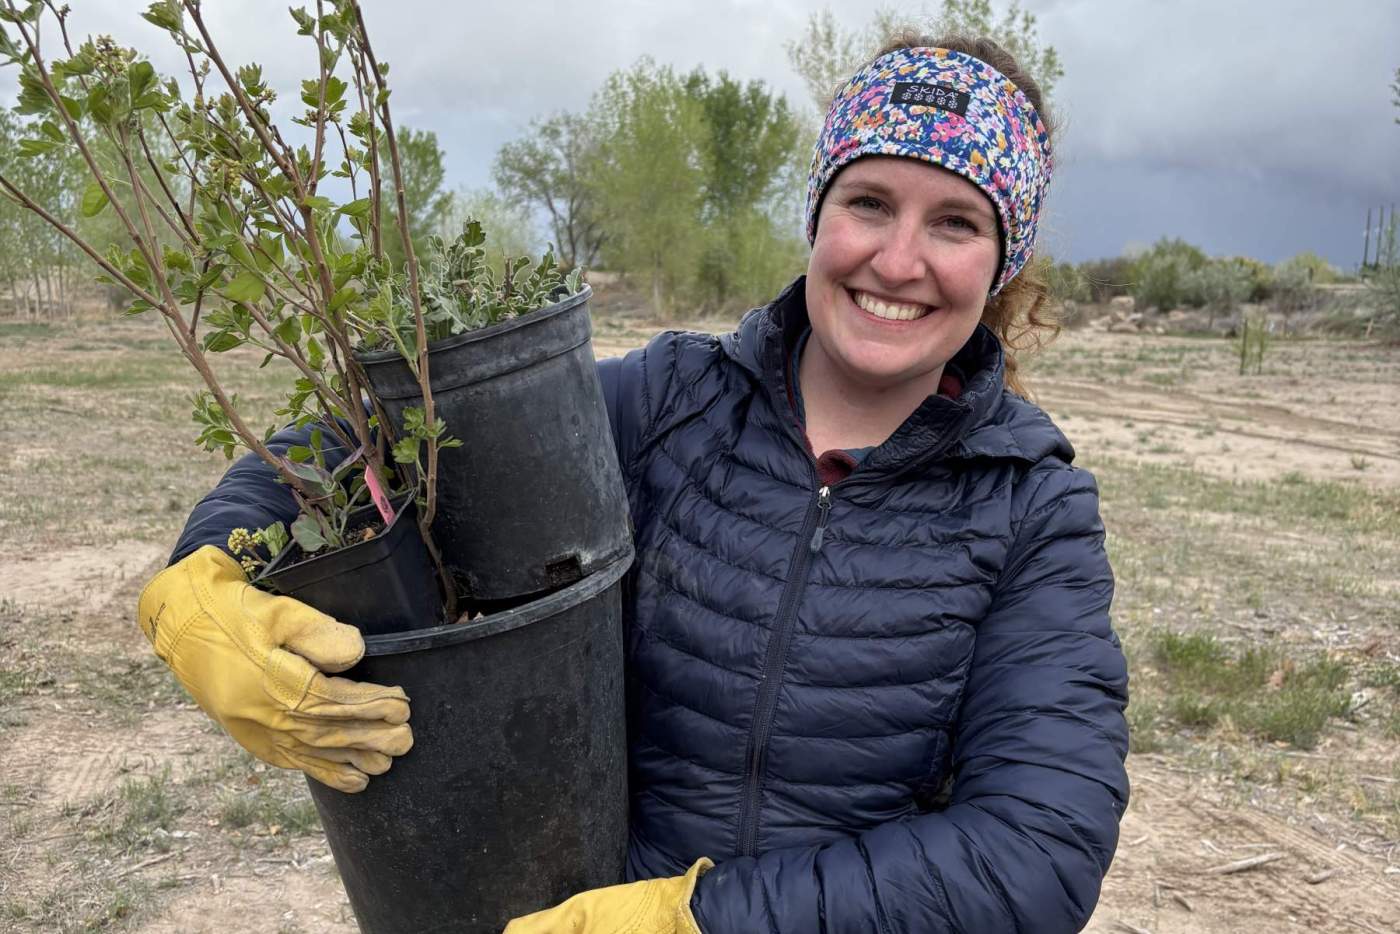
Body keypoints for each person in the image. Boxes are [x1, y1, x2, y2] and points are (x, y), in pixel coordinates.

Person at [138, 33, 1129, 934]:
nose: (897, 258)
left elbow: (1034, 849)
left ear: (1001, 264)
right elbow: (378, 442)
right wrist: (205, 568)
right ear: (818, 213)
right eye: (867, 202)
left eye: (954, 221)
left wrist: (700, 920)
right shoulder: (667, 405)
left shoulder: (1027, 508)